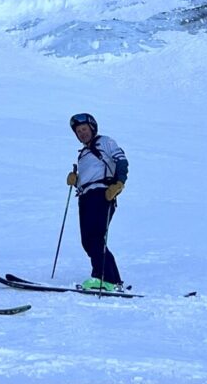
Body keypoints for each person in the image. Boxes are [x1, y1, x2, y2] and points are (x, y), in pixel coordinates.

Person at [67, 112, 128, 291]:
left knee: (95, 237)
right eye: (78, 131)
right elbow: (89, 177)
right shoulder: (83, 153)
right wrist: (75, 180)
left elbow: (122, 161)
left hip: (102, 194)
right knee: (88, 241)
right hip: (85, 197)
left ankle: (105, 278)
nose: (82, 133)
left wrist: (119, 184)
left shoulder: (106, 142)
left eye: (84, 129)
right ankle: (110, 279)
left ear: (92, 128)